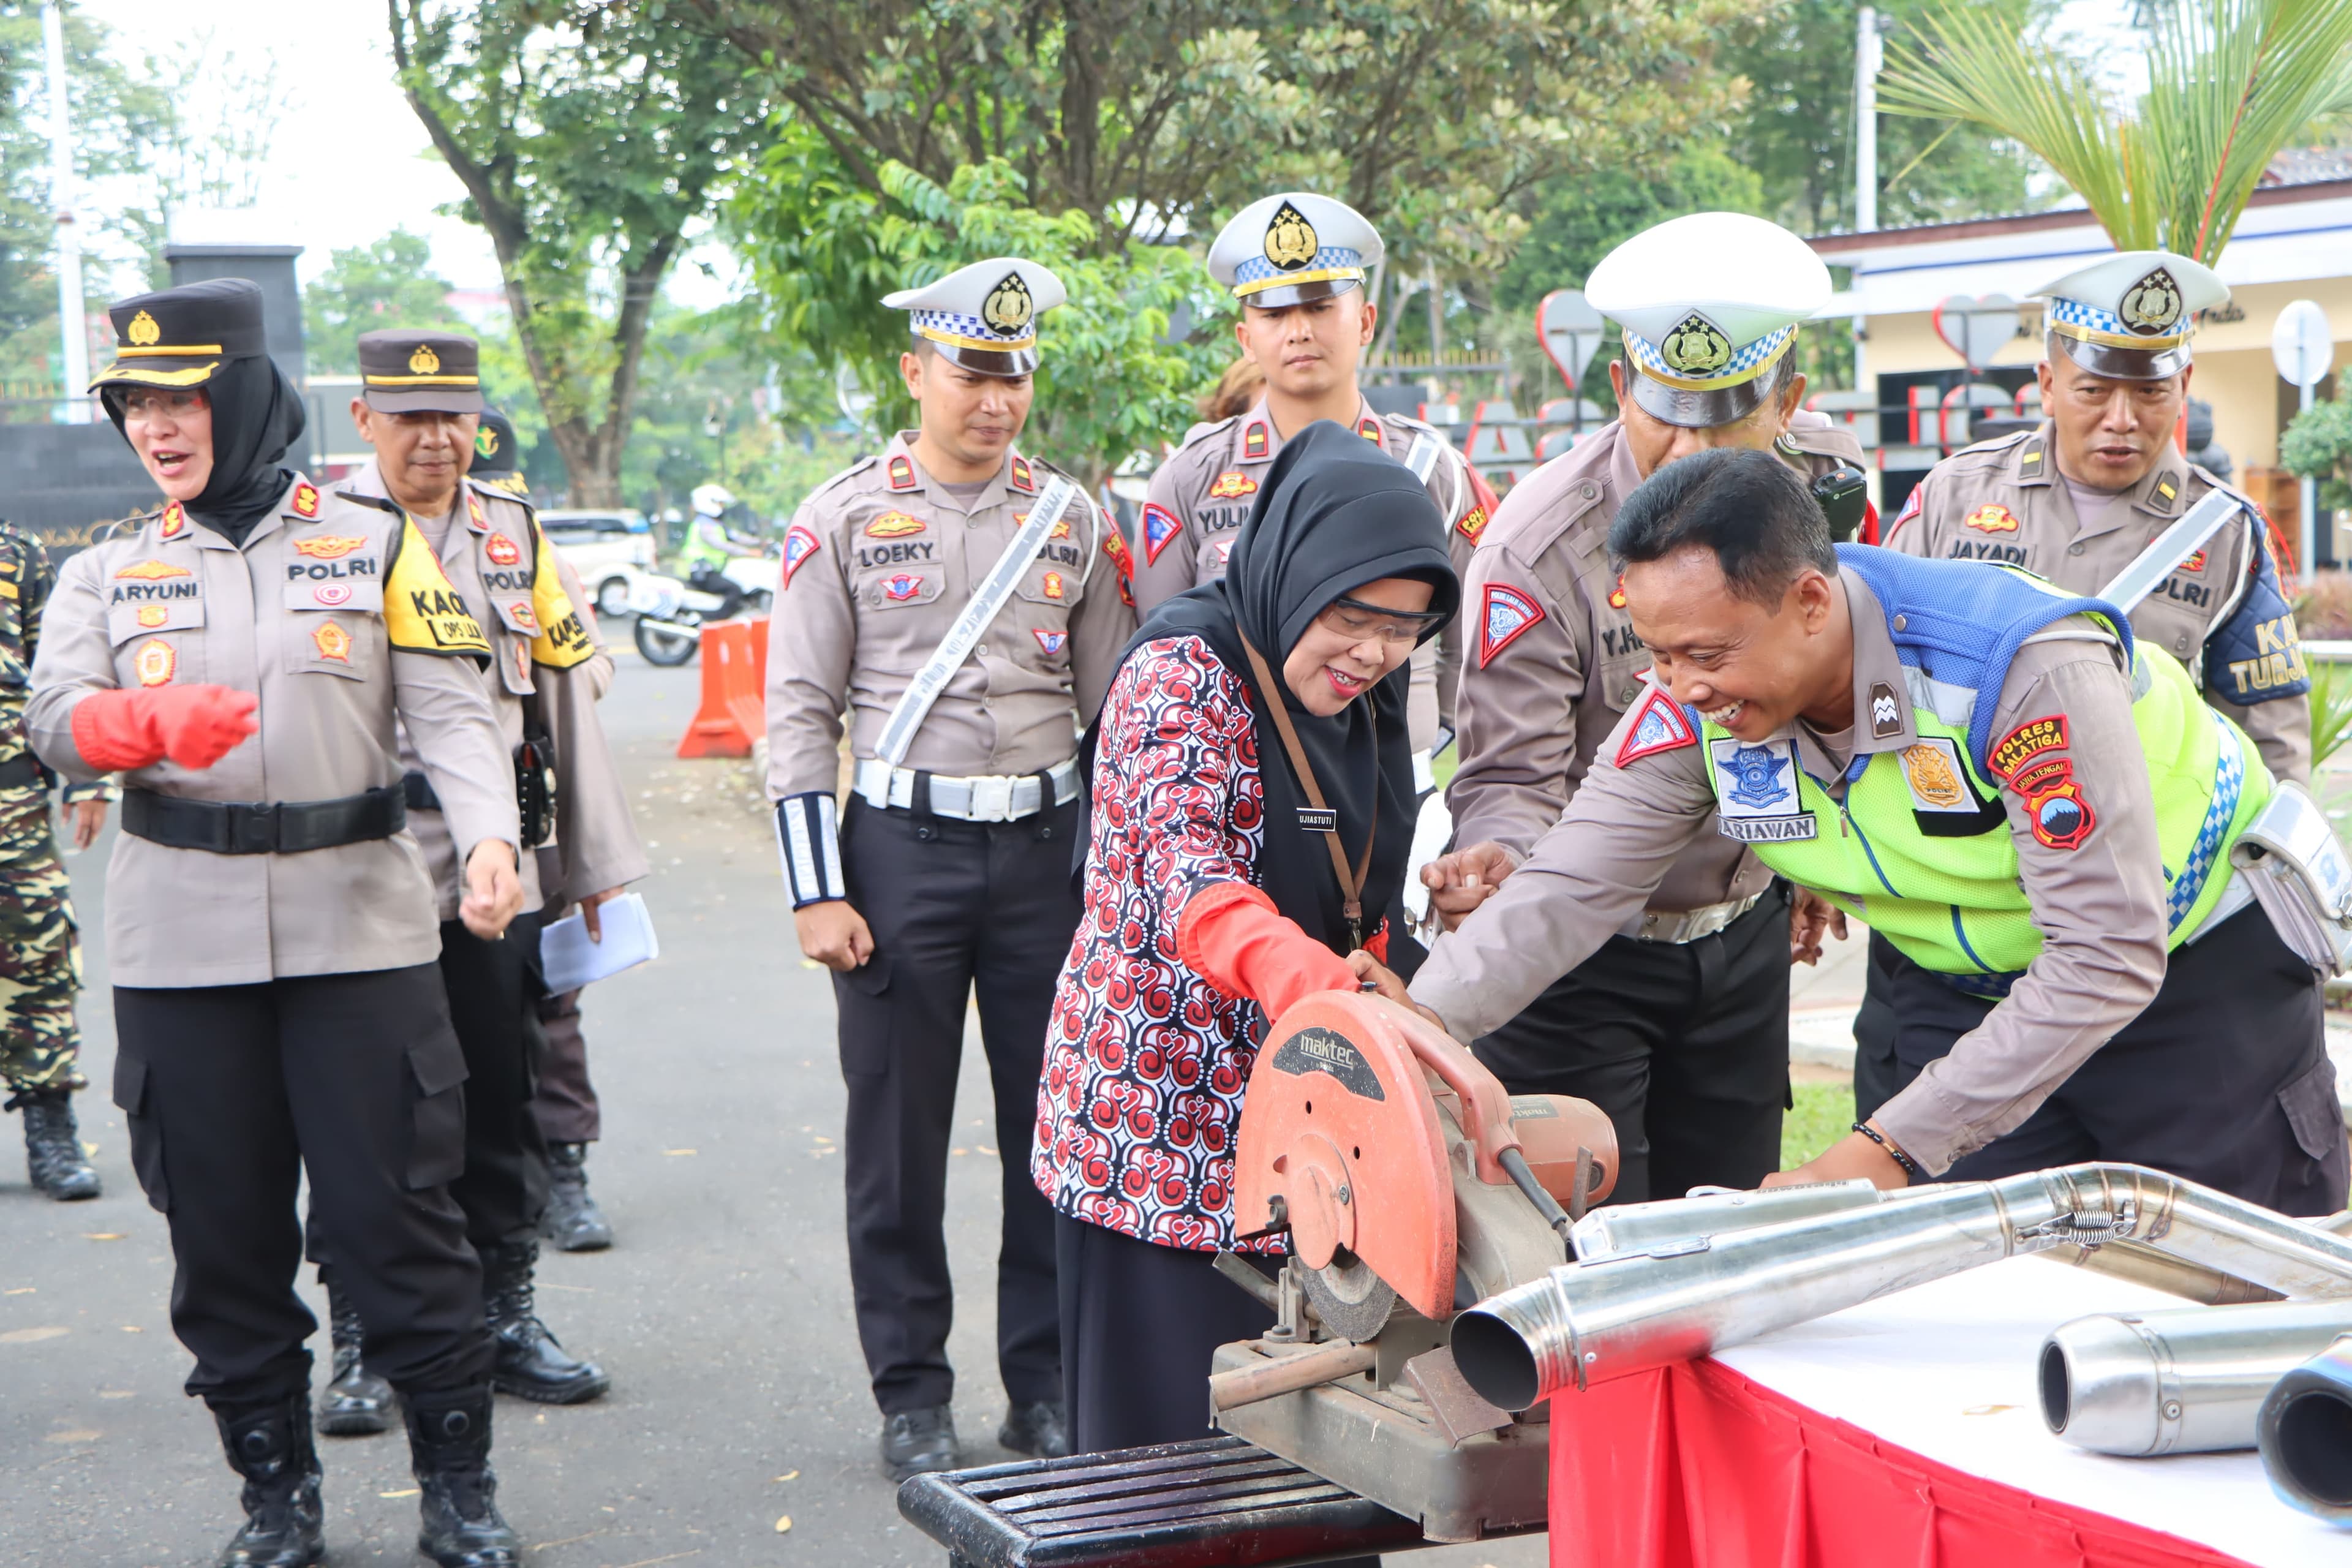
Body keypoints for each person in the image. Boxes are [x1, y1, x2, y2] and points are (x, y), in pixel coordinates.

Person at [1406, 447, 2344, 1216]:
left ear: (1811, 602)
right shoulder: (1698, 700)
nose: (1680, 686)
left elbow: (2106, 956)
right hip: (1972, 991)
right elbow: (1570, 885)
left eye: (1706, 653)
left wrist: (1886, 1147)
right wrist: (1416, 1027)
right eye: (1656, 653)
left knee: (2221, 1288)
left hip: (2191, 977)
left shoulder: (2013, 667)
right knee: (1970, 1304)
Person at [30, 278, 535, 1567]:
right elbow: (51, 720)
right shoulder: (106, 567)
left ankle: (458, 1485)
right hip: (179, 944)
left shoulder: (371, 546)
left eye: (182, 395)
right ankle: (275, 1492)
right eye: (137, 402)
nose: (158, 423)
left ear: (246, 395)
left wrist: (489, 836)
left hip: (359, 932)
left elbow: (455, 710)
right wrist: (129, 729)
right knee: (224, 1236)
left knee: (399, 1220)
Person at [1032, 421, 1456, 1503]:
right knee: (1167, 1483)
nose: (1373, 651)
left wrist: (1375, 968)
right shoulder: (1183, 671)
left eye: (1406, 630)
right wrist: (1316, 982)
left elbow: (1356, 867)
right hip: (1162, 1145)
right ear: (1296, 566)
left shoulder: (1366, 692)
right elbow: (1190, 877)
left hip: (1307, 1145)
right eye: (1354, 615)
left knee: (1314, 1469)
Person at [764, 257, 1137, 1480]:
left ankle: (1048, 1381)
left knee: (1058, 1135)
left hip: (1044, 858)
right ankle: (913, 1395)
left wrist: (1114, 879)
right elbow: (799, 713)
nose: (997, 401)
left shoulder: (1071, 518)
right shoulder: (843, 516)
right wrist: (817, 886)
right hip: (896, 859)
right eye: (975, 374)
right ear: (916, 369)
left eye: (1016, 376)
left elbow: (1113, 715)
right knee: (898, 1140)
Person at [1444, 213, 1870, 1201]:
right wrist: (1504, 854)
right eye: (1662, 410)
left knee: (1727, 1249)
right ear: (1620, 386)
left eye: (1722, 419)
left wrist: (1814, 862)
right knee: (1592, 1257)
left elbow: (1837, 682)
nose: (1685, 447)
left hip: (1743, 940)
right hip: (1584, 959)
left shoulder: (1826, 500)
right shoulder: (1539, 548)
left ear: (1789, 402)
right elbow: (1509, 774)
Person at [309, 333, 645, 1439]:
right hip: (361, 864)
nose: (436, 435)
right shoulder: (315, 532)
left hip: (496, 866)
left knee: (502, 1095)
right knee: (367, 1112)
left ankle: (506, 1319)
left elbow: (566, 691)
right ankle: (361, 1334)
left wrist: (589, 869)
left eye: (453, 412)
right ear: (365, 422)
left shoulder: (512, 531)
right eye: (409, 416)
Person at [1130, 195, 1487, 864]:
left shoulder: (1436, 472)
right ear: (1245, 337)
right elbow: (1163, 646)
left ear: (1366, 320)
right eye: (1274, 313)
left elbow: (1473, 652)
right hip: (1241, 793)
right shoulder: (1190, 478)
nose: (1299, 331)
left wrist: (1426, 739)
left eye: (1321, 306)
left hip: (1395, 796)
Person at [1886, 250, 2307, 785]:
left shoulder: (2225, 533)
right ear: (2047, 385)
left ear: (2184, 388)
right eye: (2093, 391)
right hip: (1972, 840)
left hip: (2149, 850)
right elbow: (1878, 665)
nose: (2122, 420)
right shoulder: (1956, 495)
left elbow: (2270, 738)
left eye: (2151, 391)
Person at [472, 405, 620, 1253]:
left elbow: (595, 663)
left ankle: (566, 1170)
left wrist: (547, 691)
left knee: (551, 982)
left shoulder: (532, 553)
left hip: (534, 786)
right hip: (433, 807)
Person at [0, 516, 113, 1200]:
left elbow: (61, 674)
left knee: (37, 943)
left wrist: (88, 774)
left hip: (9, 795)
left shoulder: (16, 551)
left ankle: (50, 1125)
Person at [679, 482, 757, 619]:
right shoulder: (705, 525)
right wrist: (749, 553)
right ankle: (713, 621)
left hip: (711, 571)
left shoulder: (715, 524)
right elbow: (721, 545)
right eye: (720, 504)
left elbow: (737, 537)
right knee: (735, 591)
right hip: (704, 573)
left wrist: (761, 543)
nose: (723, 507)